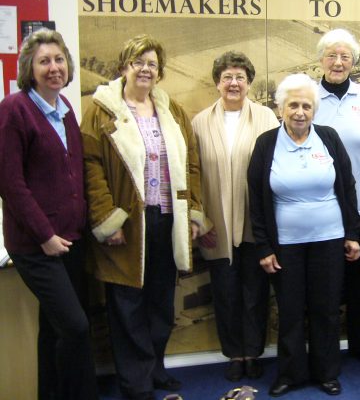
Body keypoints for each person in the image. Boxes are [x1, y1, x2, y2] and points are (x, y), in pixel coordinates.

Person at [81, 34, 211, 400]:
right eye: (138, 61)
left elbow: (191, 163)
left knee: (160, 302)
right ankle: (135, 381)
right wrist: (107, 218)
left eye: (152, 64)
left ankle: (154, 367)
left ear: (160, 72)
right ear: (124, 67)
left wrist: (195, 211)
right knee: (127, 305)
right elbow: (90, 166)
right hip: (127, 224)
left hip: (167, 220)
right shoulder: (102, 110)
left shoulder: (172, 111)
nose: (145, 69)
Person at [247, 73, 360, 397]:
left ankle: (327, 372)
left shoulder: (329, 138)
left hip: (329, 239)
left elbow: (348, 188)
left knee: (326, 309)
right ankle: (291, 373)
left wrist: (352, 234)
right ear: (281, 108)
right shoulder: (266, 143)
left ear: (314, 110)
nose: (300, 112)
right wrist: (264, 247)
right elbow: (256, 199)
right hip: (286, 245)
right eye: (293, 105)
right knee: (291, 310)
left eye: (306, 106)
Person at [0, 29, 98, 400]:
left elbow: (72, 172)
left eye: (58, 60)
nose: (53, 68)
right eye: (44, 61)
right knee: (75, 326)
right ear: (30, 67)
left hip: (70, 239)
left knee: (55, 328)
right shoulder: (15, 109)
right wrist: (44, 234)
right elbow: (10, 183)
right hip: (36, 245)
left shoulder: (66, 108)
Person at [192, 51, 279, 382]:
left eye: (240, 77)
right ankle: (235, 354)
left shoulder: (267, 119)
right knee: (225, 295)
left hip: (254, 226)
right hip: (215, 226)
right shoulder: (199, 122)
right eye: (227, 77)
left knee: (255, 295)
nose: (233, 83)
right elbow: (194, 175)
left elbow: (274, 172)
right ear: (217, 82)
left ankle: (254, 352)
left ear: (249, 83)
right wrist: (200, 221)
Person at [313, 28, 360, 369]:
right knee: (325, 285)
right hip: (322, 210)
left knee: (359, 285)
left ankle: (358, 344)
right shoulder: (309, 98)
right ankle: (323, 352)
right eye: (331, 55)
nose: (338, 62)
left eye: (345, 56)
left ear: (354, 62)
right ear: (321, 60)